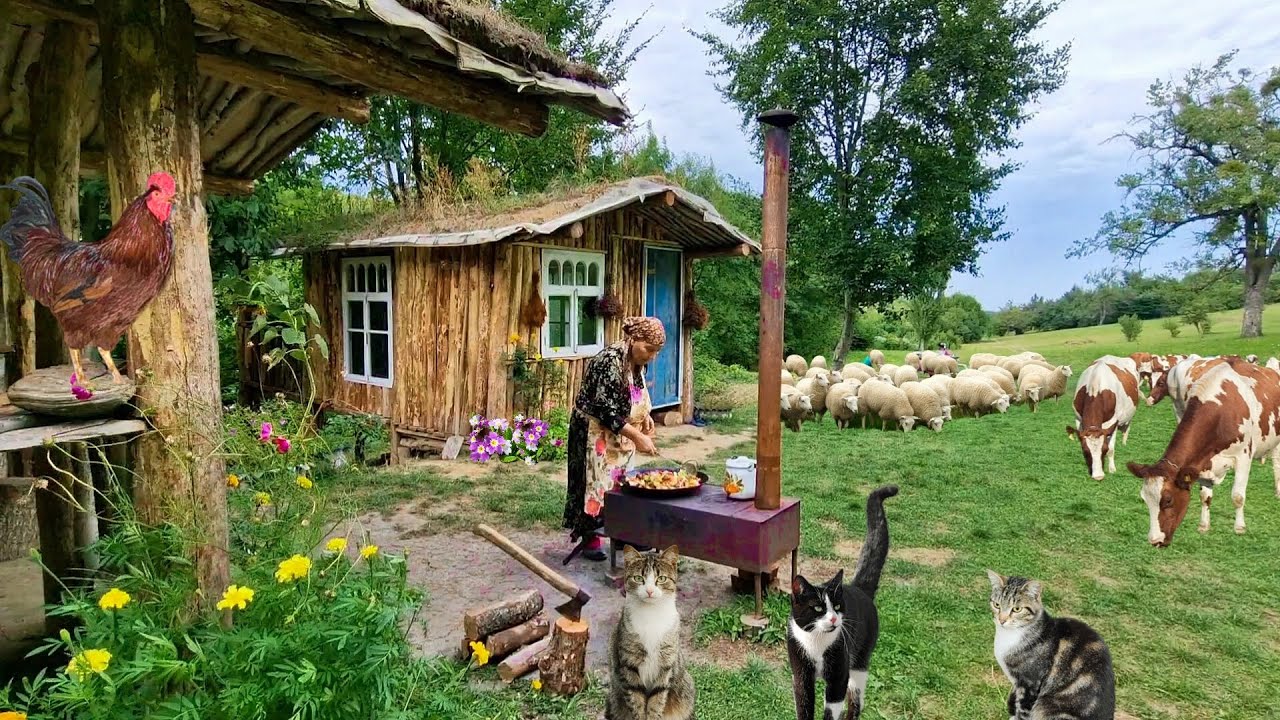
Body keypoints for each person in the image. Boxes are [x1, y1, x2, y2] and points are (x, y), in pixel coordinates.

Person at [563, 316, 666, 561]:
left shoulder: (637, 360)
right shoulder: (608, 361)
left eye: (656, 352)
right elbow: (606, 411)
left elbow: (635, 392)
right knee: (595, 481)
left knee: (621, 482)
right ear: (633, 339)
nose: (651, 356)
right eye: (649, 350)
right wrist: (638, 437)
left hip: (620, 433)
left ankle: (621, 533)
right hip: (594, 430)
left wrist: (645, 416)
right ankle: (591, 537)